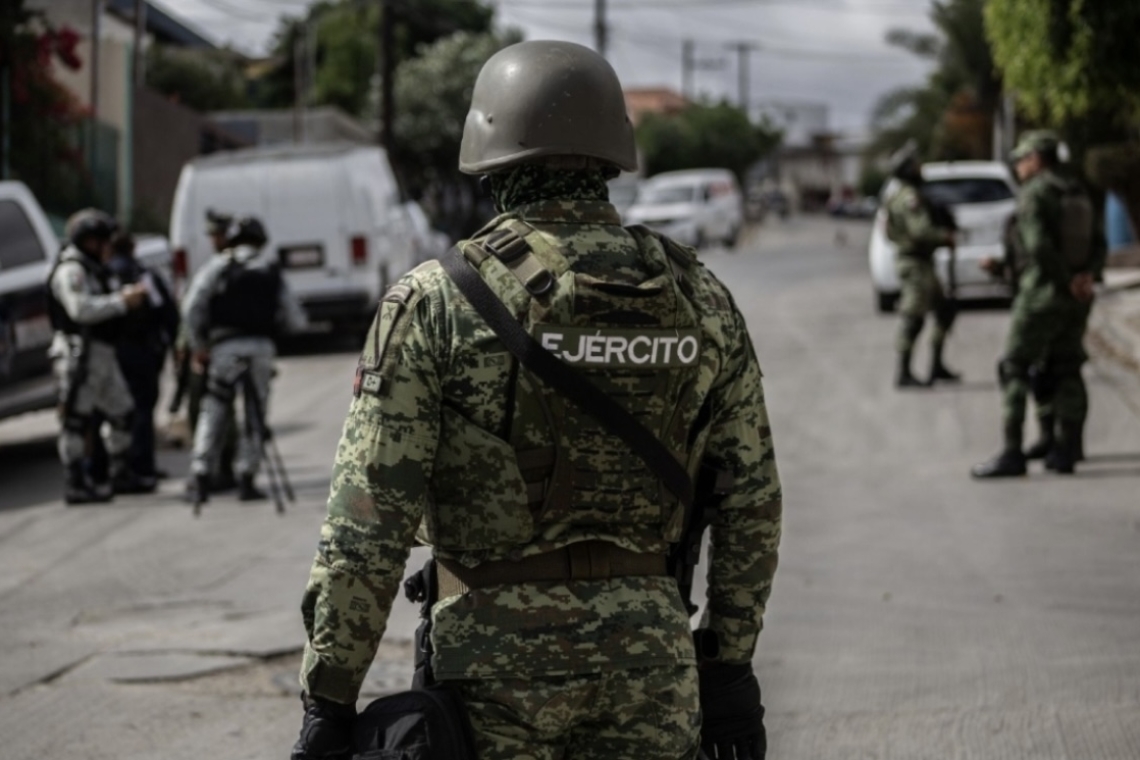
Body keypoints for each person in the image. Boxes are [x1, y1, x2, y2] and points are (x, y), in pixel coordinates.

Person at [290, 40, 782, 760]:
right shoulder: (700, 298)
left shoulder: (436, 302)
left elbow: (367, 523)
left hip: (491, 677)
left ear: (490, 152)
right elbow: (751, 503)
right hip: (652, 669)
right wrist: (729, 664)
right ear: (612, 153)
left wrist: (329, 699)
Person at [972, 130, 1099, 478]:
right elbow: (1098, 241)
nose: (1017, 166)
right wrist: (1086, 277)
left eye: (1021, 159)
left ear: (1036, 160)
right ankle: (1067, 448)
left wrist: (1064, 279)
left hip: (1042, 295)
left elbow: (1039, 247)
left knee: (1014, 366)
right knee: (1065, 368)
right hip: (1077, 298)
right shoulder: (1075, 189)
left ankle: (1012, 453)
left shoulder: (1035, 193)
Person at [181, 216, 306, 505]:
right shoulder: (270, 270)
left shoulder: (218, 266)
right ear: (260, 242)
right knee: (255, 414)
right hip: (261, 349)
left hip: (224, 349)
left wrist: (198, 345)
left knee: (214, 409)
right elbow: (296, 319)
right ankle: (246, 478)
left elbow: (191, 306)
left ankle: (201, 474)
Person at [47, 209, 150, 504]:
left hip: (103, 354)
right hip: (80, 354)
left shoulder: (95, 269)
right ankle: (75, 481)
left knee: (124, 413)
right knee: (76, 421)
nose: (107, 248)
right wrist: (121, 302)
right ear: (90, 241)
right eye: (103, 242)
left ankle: (120, 473)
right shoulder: (72, 270)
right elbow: (80, 309)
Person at [173, 209, 241, 491]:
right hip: (203, 347)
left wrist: (197, 347)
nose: (215, 240)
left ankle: (221, 467)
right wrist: (184, 345)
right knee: (199, 409)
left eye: (219, 234)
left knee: (217, 410)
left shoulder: (228, 268)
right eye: (213, 235)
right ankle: (212, 468)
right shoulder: (215, 266)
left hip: (215, 349)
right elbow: (191, 310)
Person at [883, 141, 960, 388]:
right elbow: (920, 230)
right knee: (913, 318)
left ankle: (936, 366)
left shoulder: (903, 195)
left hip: (922, 263)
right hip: (914, 264)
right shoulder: (909, 198)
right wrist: (944, 236)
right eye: (915, 164)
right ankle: (903, 373)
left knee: (945, 310)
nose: (920, 168)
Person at [105, 232, 180, 480]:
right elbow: (168, 314)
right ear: (133, 248)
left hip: (112, 351)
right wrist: (173, 346)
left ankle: (115, 467)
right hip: (143, 351)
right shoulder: (144, 275)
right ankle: (140, 465)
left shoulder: (103, 274)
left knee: (115, 411)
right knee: (142, 408)